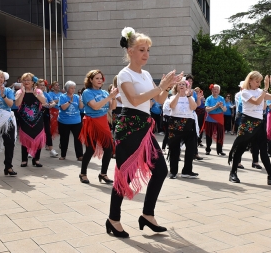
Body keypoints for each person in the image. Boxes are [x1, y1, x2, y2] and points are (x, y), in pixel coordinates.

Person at [107, 27, 181, 238]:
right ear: (130, 51)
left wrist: (167, 86)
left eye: (148, 49)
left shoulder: (147, 74)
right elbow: (135, 100)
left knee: (160, 171)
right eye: (141, 49)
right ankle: (113, 219)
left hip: (144, 129)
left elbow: (158, 100)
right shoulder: (124, 74)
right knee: (125, 176)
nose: (146, 54)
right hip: (129, 128)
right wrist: (160, 87)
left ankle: (147, 215)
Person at [228, 71, 271, 185]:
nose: (258, 84)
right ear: (250, 80)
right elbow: (256, 102)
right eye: (257, 81)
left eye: (260, 81)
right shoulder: (244, 92)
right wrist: (265, 89)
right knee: (240, 148)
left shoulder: (260, 91)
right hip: (248, 122)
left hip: (260, 123)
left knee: (263, 150)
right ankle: (233, 172)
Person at [79, 70, 117, 184]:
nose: (100, 80)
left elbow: (113, 107)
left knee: (109, 149)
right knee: (90, 149)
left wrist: (113, 97)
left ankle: (103, 174)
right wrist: (109, 96)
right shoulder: (87, 92)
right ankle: (83, 173)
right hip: (91, 122)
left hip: (103, 122)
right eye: (97, 78)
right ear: (91, 80)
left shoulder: (105, 92)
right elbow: (95, 106)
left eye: (101, 78)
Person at [167, 80, 198, 179]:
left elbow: (193, 107)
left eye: (183, 84)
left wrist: (188, 96)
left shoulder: (191, 97)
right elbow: (172, 106)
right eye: (179, 84)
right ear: (176, 87)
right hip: (175, 123)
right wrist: (178, 95)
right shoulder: (172, 97)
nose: (181, 85)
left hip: (189, 123)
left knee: (190, 148)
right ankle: (173, 172)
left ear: (187, 87)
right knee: (174, 148)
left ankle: (187, 171)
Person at [15, 73, 46, 168]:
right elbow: (17, 103)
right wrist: (23, 93)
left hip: (37, 119)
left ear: (33, 82)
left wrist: (35, 93)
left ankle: (36, 160)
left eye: (28, 80)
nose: (26, 82)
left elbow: (44, 102)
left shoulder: (38, 91)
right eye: (24, 80)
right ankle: (24, 160)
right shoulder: (19, 92)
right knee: (25, 139)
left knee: (39, 139)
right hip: (25, 120)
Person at [58, 81, 84, 161]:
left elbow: (81, 108)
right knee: (64, 139)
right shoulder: (62, 97)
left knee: (78, 139)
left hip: (76, 121)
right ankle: (63, 155)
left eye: (74, 88)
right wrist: (70, 101)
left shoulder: (76, 96)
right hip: (64, 121)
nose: (73, 90)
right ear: (67, 88)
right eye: (71, 88)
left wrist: (80, 101)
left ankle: (79, 155)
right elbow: (63, 108)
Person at [36, 79, 59, 158]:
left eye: (43, 85)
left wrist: (50, 105)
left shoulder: (46, 94)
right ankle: (33, 150)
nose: (42, 86)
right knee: (36, 132)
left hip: (45, 114)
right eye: (41, 85)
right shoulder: (34, 94)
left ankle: (51, 149)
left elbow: (52, 102)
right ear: (37, 86)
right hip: (36, 115)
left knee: (48, 131)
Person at [205, 84, 226, 156]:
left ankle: (220, 150)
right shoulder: (209, 98)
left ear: (219, 91)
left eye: (217, 89)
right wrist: (215, 106)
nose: (215, 91)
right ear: (211, 90)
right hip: (210, 119)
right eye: (214, 89)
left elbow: (225, 110)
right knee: (208, 135)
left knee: (220, 135)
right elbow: (207, 109)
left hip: (219, 119)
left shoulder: (222, 98)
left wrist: (221, 106)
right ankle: (208, 149)